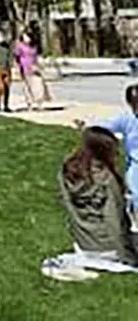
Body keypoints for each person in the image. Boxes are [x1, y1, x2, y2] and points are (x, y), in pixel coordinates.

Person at [46, 125, 138, 276]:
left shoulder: (67, 171)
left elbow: (66, 204)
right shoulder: (106, 179)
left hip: (83, 244)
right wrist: (128, 257)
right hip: (109, 248)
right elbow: (114, 222)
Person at [95, 84, 138, 218]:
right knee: (135, 193)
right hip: (136, 163)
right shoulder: (127, 118)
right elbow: (104, 126)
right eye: (134, 105)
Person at [14, 30, 53, 110]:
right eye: (24, 37)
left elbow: (38, 55)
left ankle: (39, 102)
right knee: (27, 86)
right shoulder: (20, 46)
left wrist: (41, 64)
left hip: (35, 67)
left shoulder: (34, 46)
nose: (26, 39)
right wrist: (17, 67)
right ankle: (30, 103)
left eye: (27, 37)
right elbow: (16, 57)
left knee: (39, 85)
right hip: (24, 67)